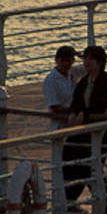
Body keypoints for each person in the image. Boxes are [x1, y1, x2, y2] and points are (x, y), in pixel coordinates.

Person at [67, 45, 107, 214]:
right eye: (85, 58)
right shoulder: (84, 81)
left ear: (100, 62)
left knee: (93, 167)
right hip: (82, 131)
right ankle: (70, 200)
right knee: (75, 163)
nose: (86, 62)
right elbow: (76, 101)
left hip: (97, 131)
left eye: (90, 59)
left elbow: (104, 104)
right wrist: (74, 113)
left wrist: (85, 114)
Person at [43, 45, 86, 204]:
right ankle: (62, 200)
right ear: (57, 60)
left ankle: (70, 200)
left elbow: (90, 67)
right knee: (62, 166)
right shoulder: (51, 80)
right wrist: (73, 110)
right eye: (63, 60)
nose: (67, 64)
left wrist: (82, 55)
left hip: (73, 125)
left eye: (70, 60)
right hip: (60, 126)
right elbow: (54, 106)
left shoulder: (72, 74)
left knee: (74, 165)